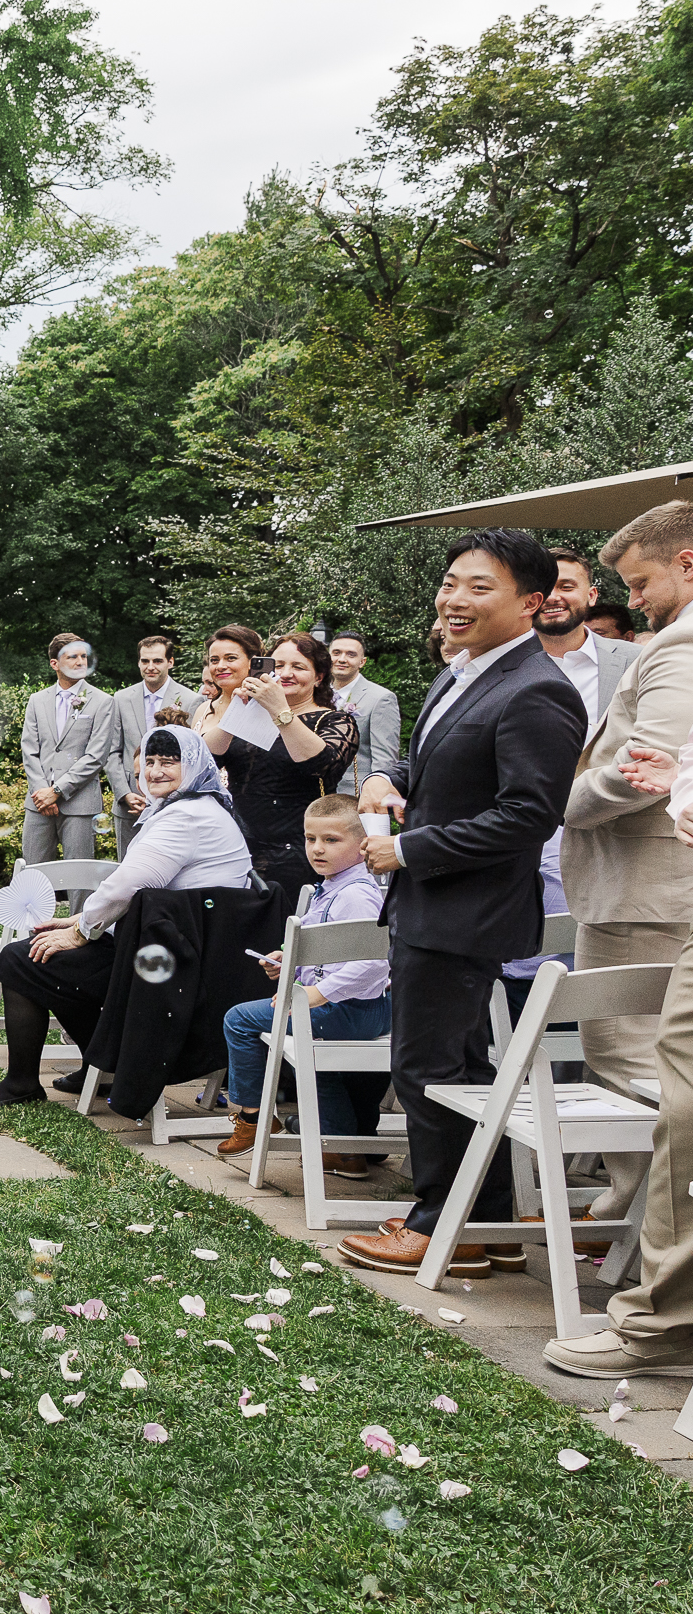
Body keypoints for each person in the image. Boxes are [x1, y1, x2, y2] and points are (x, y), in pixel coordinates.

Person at [343, 530, 585, 1278]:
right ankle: (482, 1222)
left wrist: (410, 849)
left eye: (479, 587)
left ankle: (442, 1224)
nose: (453, 599)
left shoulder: (538, 689)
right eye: (451, 582)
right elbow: (444, 761)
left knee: (426, 1066)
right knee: (458, 1066)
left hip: (465, 911)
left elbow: (528, 813)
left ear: (532, 603)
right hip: (431, 906)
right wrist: (391, 779)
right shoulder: (463, 673)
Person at [547, 505, 693, 1239]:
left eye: (640, 582)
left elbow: (646, 773)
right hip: (649, 888)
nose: (631, 601)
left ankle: (643, 1224)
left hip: (647, 894)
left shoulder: (681, 646)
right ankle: (629, 1211)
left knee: (630, 1057)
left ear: (688, 562)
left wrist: (555, 802)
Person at [0, 725, 253, 1106]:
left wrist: (81, 931)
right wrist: (78, 922)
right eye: (150, 761)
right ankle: (103, 1065)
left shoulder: (186, 818)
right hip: (190, 957)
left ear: (193, 766)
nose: (155, 771)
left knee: (24, 956)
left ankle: (22, 1084)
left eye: (169, 763)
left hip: (173, 974)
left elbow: (129, 884)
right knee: (58, 954)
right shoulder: (201, 806)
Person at [215, 797, 391, 1170]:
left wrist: (316, 993)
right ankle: (342, 1148)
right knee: (312, 1052)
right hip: (347, 1009)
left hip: (352, 1009)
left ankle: (254, 1117)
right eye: (310, 839)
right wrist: (288, 961)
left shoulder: (356, 894)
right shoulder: (331, 887)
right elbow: (325, 948)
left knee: (239, 1019)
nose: (316, 848)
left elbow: (374, 962)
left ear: (362, 845)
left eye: (330, 840)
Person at [198, 631, 358, 905]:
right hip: (237, 847)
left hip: (298, 849)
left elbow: (322, 765)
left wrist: (280, 712)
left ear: (319, 676)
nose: (286, 674)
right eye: (278, 666)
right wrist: (236, 711)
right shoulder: (250, 713)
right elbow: (204, 765)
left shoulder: (335, 721)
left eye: (298, 667)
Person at [20, 633, 113, 902]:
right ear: (55, 664)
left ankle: (79, 937)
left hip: (80, 803)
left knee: (81, 876)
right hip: (38, 803)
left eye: (83, 655)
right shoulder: (37, 700)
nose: (80, 660)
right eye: (72, 656)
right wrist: (42, 792)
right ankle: (33, 935)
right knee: (34, 872)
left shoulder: (103, 701)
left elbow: (96, 756)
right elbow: (29, 750)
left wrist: (58, 790)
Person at [105, 635, 200, 852]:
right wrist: (124, 793)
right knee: (127, 868)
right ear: (138, 662)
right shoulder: (121, 698)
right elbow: (112, 752)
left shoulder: (191, 700)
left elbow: (191, 756)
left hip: (172, 804)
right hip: (130, 803)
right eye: (145, 661)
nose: (150, 667)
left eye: (157, 661)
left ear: (170, 662)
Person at [539, 547, 641, 722]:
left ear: (591, 596)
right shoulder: (500, 661)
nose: (552, 597)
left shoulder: (637, 660)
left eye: (566, 587)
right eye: (543, 587)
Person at [328, 632, 400, 797]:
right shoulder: (314, 694)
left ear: (362, 662)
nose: (342, 659)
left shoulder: (380, 698)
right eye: (336, 653)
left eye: (351, 655)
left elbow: (385, 759)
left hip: (355, 795)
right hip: (313, 795)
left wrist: (376, 795)